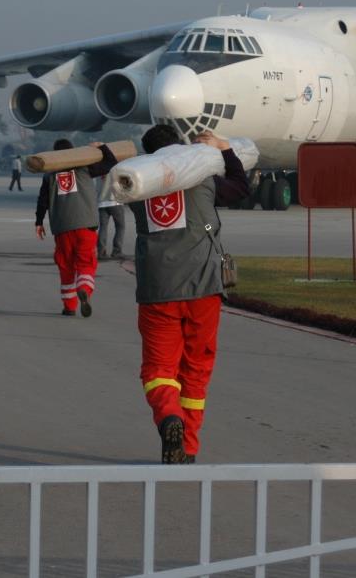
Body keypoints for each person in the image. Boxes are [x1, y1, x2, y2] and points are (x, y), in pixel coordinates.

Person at [129, 125, 249, 464]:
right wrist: (225, 149)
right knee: (196, 367)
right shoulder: (202, 179)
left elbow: (106, 170)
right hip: (204, 288)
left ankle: (169, 418)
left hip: (157, 289)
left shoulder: (136, 186)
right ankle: (189, 447)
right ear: (180, 148)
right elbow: (241, 188)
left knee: (158, 369)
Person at [35, 139, 117, 317]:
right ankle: (84, 289)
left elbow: (43, 201)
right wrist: (101, 146)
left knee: (66, 266)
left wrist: (39, 222)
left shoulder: (49, 175)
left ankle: (69, 306)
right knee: (86, 262)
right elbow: (111, 164)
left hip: (62, 227)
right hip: (85, 225)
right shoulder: (85, 168)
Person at [96, 175, 126, 259]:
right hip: (115, 201)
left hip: (101, 202)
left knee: (103, 227)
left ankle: (101, 252)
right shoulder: (116, 168)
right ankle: (117, 251)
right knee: (120, 226)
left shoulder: (99, 169)